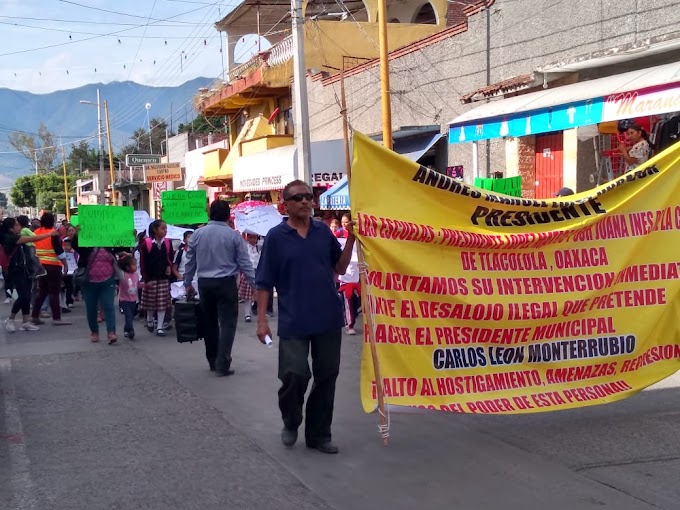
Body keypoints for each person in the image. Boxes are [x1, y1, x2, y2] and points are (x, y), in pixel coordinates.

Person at [255, 180, 355, 454]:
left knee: (327, 376)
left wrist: (353, 239)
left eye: (308, 197)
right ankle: (291, 419)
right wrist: (262, 321)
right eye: (297, 197)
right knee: (294, 374)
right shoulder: (276, 237)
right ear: (285, 205)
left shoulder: (323, 232)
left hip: (327, 317)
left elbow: (340, 266)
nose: (304, 201)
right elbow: (264, 281)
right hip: (293, 319)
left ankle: (319, 434)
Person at [184, 200, 255, 376]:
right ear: (227, 216)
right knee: (228, 324)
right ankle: (223, 362)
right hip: (226, 283)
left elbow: (190, 262)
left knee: (210, 323)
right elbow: (245, 263)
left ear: (210, 214)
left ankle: (212, 360)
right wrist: (256, 285)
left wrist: (187, 284)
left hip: (205, 283)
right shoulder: (233, 236)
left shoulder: (197, 235)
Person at [1, 218, 58, 333]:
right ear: (10, 228)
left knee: (27, 295)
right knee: (23, 296)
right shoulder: (10, 238)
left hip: (26, 270)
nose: (19, 227)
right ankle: (10, 319)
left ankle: (25, 322)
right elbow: (33, 238)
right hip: (16, 270)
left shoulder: (16, 236)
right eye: (16, 225)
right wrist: (49, 234)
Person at [71, 234, 120, 344]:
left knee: (108, 306)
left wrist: (130, 236)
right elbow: (74, 245)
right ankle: (94, 331)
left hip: (108, 281)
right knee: (91, 308)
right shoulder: (86, 244)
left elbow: (122, 247)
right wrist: (77, 234)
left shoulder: (109, 243)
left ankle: (111, 332)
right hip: (89, 282)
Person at [31, 213, 70, 326]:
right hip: (52, 265)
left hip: (39, 266)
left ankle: (34, 316)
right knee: (54, 292)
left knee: (42, 292)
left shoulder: (36, 233)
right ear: (52, 221)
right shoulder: (53, 233)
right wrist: (65, 264)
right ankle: (57, 318)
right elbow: (59, 251)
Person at [140, 220, 174, 337]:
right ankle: (149, 319)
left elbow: (170, 257)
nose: (165, 231)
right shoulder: (147, 243)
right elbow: (143, 262)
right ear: (155, 230)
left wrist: (169, 267)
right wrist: (146, 279)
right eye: (162, 228)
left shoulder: (168, 243)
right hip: (151, 277)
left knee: (162, 303)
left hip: (163, 277)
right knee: (150, 302)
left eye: (166, 228)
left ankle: (159, 326)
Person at [338, 240, 360, 335]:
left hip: (356, 283)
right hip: (346, 283)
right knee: (349, 306)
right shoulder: (344, 250)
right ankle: (349, 325)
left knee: (355, 306)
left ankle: (352, 319)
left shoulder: (359, 249)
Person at [118, 255, 139, 340]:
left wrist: (145, 285)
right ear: (127, 267)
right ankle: (130, 330)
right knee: (128, 315)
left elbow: (137, 284)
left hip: (133, 299)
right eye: (133, 264)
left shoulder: (136, 275)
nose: (136, 266)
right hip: (124, 299)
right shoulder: (123, 275)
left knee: (131, 315)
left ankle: (126, 329)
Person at [61, 238, 78, 310]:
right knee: (62, 288)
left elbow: (77, 260)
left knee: (70, 287)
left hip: (71, 273)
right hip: (63, 272)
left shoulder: (74, 253)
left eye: (68, 245)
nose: (66, 247)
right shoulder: (62, 253)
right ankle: (63, 303)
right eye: (65, 245)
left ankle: (69, 301)